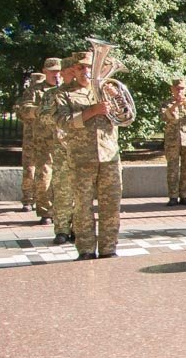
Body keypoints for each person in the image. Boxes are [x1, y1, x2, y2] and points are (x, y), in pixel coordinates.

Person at [52, 49, 129, 260]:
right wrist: (92, 111)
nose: (86, 71)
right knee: (82, 206)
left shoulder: (106, 90)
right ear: (73, 70)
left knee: (111, 206)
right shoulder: (63, 94)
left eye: (89, 67)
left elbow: (126, 118)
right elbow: (63, 122)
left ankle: (108, 248)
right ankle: (85, 249)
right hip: (81, 158)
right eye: (81, 67)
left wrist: (117, 99)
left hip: (109, 157)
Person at [38, 60, 75, 245]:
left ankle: (78, 227)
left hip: (83, 148)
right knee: (62, 189)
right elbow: (44, 117)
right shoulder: (51, 94)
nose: (58, 75)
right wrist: (63, 119)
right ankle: (62, 229)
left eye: (62, 71)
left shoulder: (83, 92)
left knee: (81, 191)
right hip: (61, 147)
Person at [15, 65, 56, 220]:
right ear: (45, 72)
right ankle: (36, 204)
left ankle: (61, 211)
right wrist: (39, 110)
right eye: (52, 71)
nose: (56, 74)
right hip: (38, 138)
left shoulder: (65, 88)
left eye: (58, 71)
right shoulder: (34, 91)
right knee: (37, 170)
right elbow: (23, 110)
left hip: (62, 139)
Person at [159, 77, 186, 207]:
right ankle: (173, 196)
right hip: (172, 141)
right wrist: (175, 105)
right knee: (172, 169)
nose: (179, 91)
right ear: (172, 89)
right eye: (177, 88)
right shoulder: (166, 103)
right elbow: (164, 117)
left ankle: (185, 195)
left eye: (182, 88)